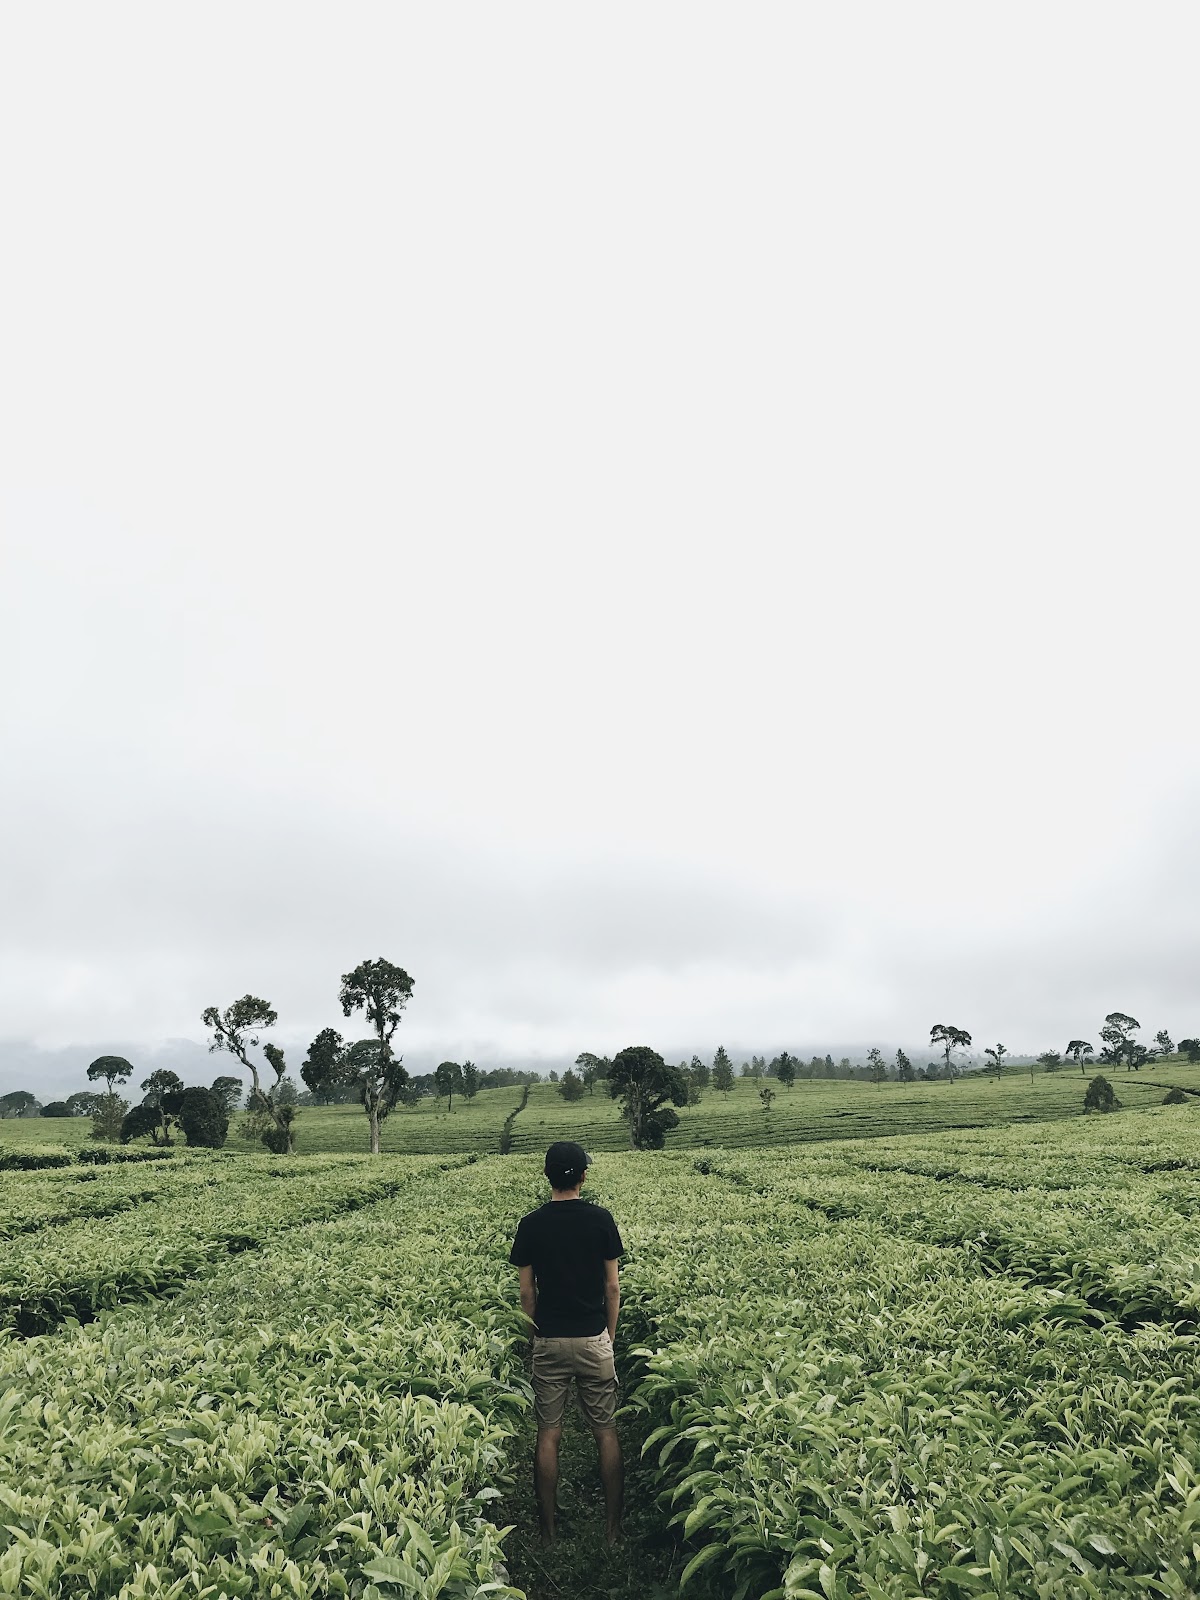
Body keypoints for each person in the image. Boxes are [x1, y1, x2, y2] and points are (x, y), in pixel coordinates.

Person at [509, 1140, 624, 1545]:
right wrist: (608, 1336)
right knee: (606, 1431)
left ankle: (548, 1532)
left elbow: (526, 1293)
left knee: (549, 1432)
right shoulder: (600, 1220)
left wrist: (532, 1333)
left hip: (550, 1338)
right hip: (593, 1337)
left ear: (547, 1176)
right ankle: (612, 1531)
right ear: (583, 1176)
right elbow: (612, 1287)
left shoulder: (531, 1224)